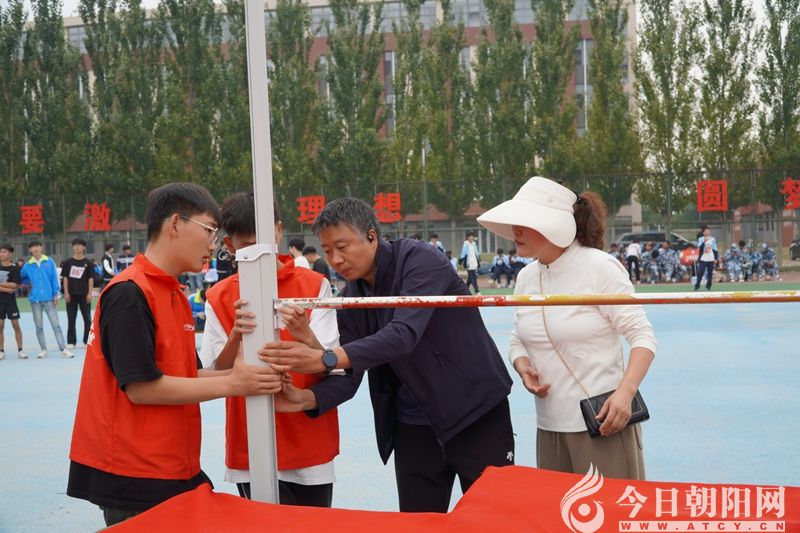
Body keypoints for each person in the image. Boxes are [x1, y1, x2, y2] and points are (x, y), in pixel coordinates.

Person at [258, 197, 514, 513]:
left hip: (473, 412)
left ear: (371, 236)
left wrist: (324, 357)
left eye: (342, 247)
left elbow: (402, 335)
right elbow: (349, 372)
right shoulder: (351, 297)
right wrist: (305, 397)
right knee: (417, 523)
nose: (335, 259)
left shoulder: (420, 259)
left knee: (494, 517)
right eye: (327, 251)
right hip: (411, 425)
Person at [67, 183, 285, 527]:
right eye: (209, 230)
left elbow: (187, 375)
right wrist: (235, 383)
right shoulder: (129, 294)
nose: (214, 244)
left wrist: (247, 371)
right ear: (175, 223)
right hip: (135, 474)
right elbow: (142, 389)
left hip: (171, 465)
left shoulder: (173, 293)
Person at [476, 177, 657, 479]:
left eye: (525, 221)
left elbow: (643, 337)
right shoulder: (526, 278)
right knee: (554, 509)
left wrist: (625, 394)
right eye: (514, 222)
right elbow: (518, 336)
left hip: (603, 423)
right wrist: (522, 364)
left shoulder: (599, 267)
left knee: (610, 510)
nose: (515, 230)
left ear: (553, 224)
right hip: (549, 427)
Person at [201, 193, 341, 507]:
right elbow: (214, 373)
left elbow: (331, 362)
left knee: (313, 526)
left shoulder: (314, 285)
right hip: (250, 446)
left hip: (308, 441)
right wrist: (235, 338)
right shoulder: (219, 296)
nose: (259, 254)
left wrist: (304, 334)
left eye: (263, 243)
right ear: (230, 245)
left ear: (278, 230)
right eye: (248, 246)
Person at [20, 241, 72, 359]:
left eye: (37, 246)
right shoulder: (28, 265)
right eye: (33, 247)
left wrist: (56, 295)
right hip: (35, 300)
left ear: (41, 248)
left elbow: (54, 278)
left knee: (55, 324)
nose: (35, 249)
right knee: (39, 326)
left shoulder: (49, 261)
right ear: (30, 250)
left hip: (49, 298)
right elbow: (22, 277)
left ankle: (63, 349)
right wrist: (27, 284)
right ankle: (43, 349)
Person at [61, 238, 96, 349]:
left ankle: (87, 341)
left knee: (87, 319)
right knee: (71, 319)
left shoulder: (89, 263)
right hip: (71, 295)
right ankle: (71, 342)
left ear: (84, 247)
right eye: (75, 245)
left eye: (80, 245)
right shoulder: (67, 263)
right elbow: (65, 278)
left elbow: (90, 279)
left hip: (84, 295)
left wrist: (90, 293)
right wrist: (66, 293)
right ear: (72, 247)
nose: (77, 247)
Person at [0, 244, 26, 360]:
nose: (2, 254)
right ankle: (1, 350)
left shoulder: (15, 268)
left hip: (11, 302)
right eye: (1, 252)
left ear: (10, 254)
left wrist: (3, 285)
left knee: (15, 325)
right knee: (0, 326)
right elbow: (10, 288)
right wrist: (7, 289)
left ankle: (20, 350)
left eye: (4, 252)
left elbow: (15, 285)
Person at [694, 226, 718, 291]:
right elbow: (699, 247)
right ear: (703, 233)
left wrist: (716, 258)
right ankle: (697, 286)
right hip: (703, 258)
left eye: (709, 231)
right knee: (700, 272)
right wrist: (704, 242)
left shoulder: (713, 239)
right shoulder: (700, 239)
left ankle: (708, 286)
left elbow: (715, 249)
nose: (708, 232)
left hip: (711, 258)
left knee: (710, 273)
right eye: (706, 231)